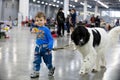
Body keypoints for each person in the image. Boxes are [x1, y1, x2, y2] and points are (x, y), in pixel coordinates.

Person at [30, 12, 55, 78]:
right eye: (37, 20)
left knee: (48, 62)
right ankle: (36, 72)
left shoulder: (46, 29)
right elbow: (32, 29)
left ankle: (51, 68)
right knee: (36, 61)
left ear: (45, 21)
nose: (39, 22)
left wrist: (50, 46)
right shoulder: (37, 28)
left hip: (46, 49)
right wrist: (32, 28)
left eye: (41, 20)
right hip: (37, 48)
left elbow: (51, 39)